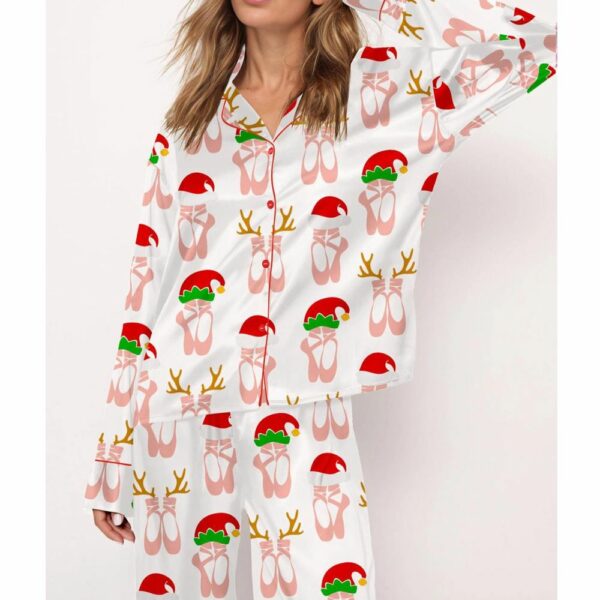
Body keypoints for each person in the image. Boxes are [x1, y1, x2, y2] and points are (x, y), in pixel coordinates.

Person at [83, 0, 557, 598]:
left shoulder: (391, 103)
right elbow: (147, 284)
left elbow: (540, 44)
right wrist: (114, 447)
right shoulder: (188, 125)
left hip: (306, 402)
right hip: (179, 406)